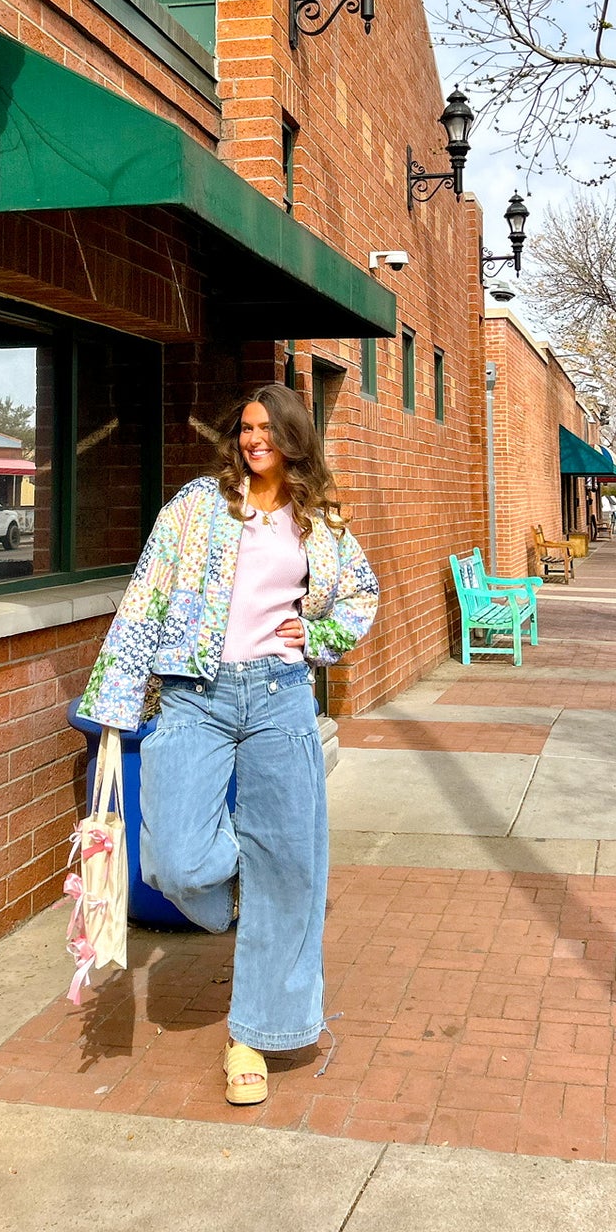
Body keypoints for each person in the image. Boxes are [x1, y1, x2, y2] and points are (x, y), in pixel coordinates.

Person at [79, 383, 379, 1107]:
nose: (252, 439)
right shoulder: (195, 506)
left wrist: (320, 635)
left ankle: (253, 1036)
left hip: (279, 696)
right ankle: (244, 881)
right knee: (174, 858)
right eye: (244, 428)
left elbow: (362, 594)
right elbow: (145, 596)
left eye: (266, 428)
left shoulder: (320, 519)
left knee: (292, 871)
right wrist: (114, 705)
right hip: (195, 697)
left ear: (293, 436)